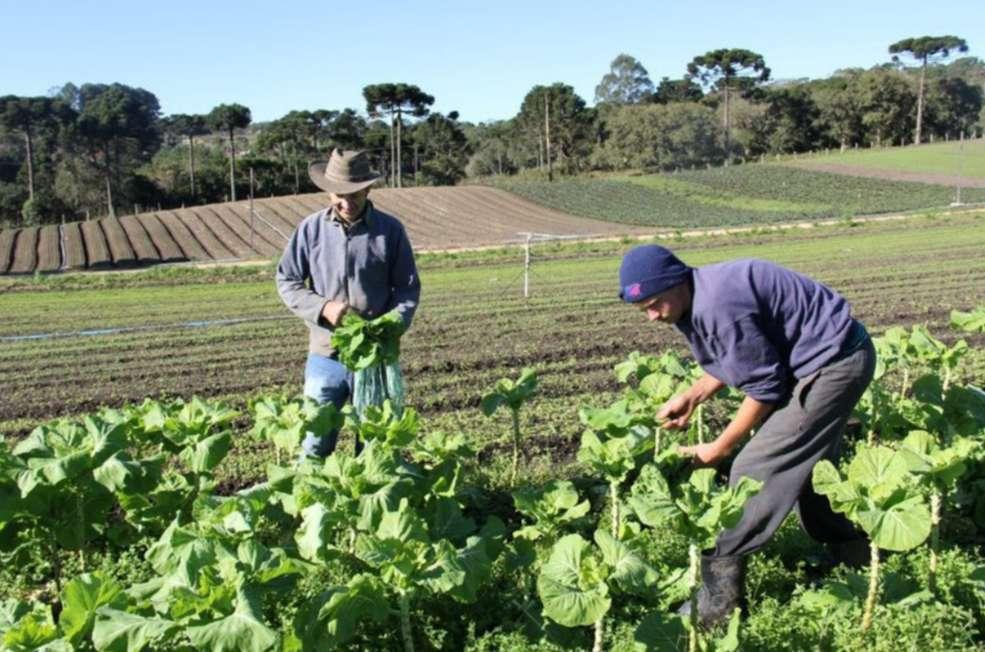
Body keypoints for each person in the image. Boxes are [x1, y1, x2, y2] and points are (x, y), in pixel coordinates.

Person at [618, 244, 875, 627]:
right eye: (644, 311)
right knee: (810, 467)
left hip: (835, 364)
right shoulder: (700, 293)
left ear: (675, 282)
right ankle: (852, 559)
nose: (653, 316)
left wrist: (719, 448)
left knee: (752, 469)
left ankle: (720, 605)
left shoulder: (718, 306)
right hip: (824, 360)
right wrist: (693, 395)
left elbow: (765, 387)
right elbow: (738, 359)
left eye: (655, 304)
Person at [276, 149, 420, 457]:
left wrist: (393, 324)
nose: (345, 202)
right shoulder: (310, 230)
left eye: (354, 194)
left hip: (374, 358)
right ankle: (315, 503)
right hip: (326, 355)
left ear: (368, 189)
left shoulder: (390, 231)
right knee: (315, 443)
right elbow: (287, 280)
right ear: (328, 190)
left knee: (374, 445)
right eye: (338, 194)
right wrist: (322, 308)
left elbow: (407, 290)